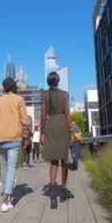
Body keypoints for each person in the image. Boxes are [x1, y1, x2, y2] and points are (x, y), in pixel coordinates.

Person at [0, 77, 30, 213]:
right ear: (14, 87)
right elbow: (24, 120)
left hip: (0, 138)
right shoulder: (19, 100)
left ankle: (5, 191)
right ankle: (6, 198)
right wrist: (26, 137)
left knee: (3, 166)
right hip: (13, 137)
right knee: (11, 166)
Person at [41, 72, 73, 209]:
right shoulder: (65, 94)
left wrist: (42, 132)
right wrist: (71, 131)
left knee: (53, 161)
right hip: (62, 125)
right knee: (64, 159)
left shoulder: (44, 95)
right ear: (58, 81)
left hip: (51, 125)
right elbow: (67, 113)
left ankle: (52, 192)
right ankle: (63, 189)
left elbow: (43, 115)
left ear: (48, 82)